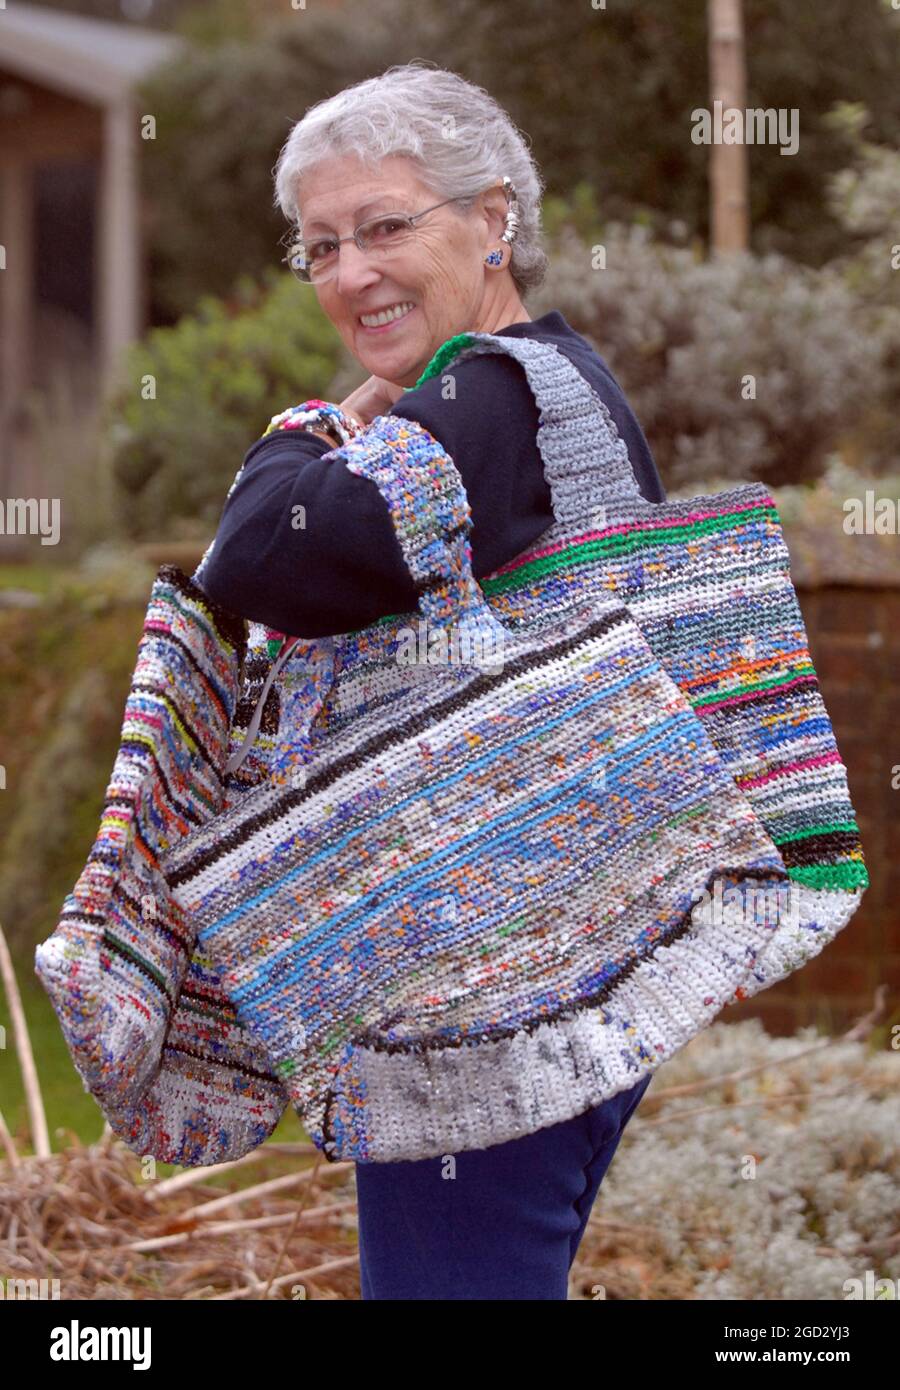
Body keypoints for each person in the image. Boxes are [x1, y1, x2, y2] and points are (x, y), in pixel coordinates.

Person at [198, 59, 661, 1300]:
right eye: (323, 246)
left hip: (485, 972)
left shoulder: (489, 398)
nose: (352, 274)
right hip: (557, 944)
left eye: (386, 227)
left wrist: (326, 418)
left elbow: (252, 558)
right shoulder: (550, 387)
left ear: (495, 219)